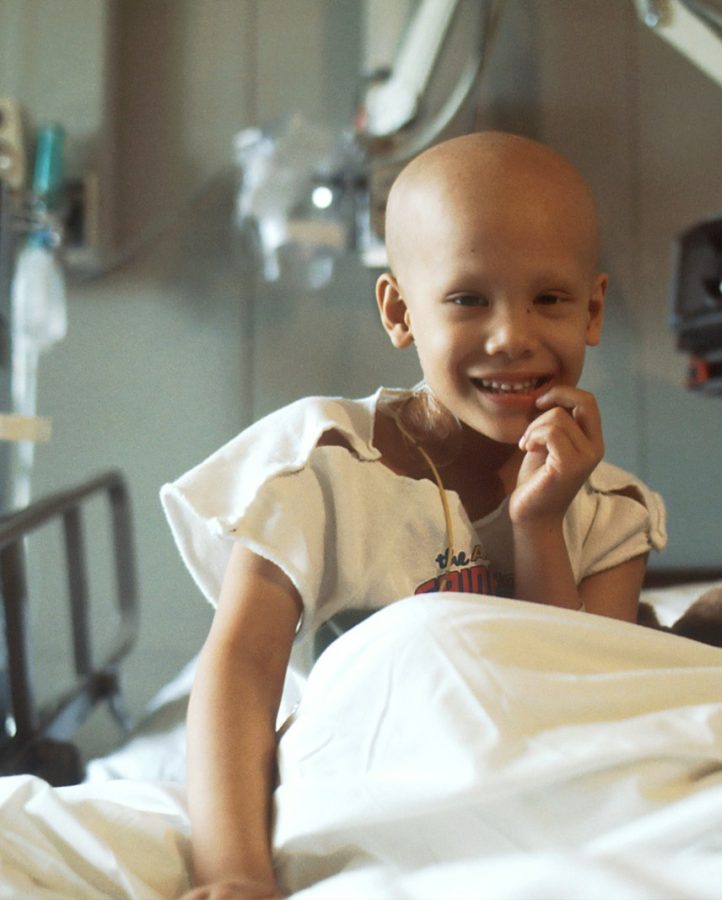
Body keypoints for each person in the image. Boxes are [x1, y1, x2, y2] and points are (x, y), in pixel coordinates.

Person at [161, 131, 667, 898]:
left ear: (592, 309)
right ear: (400, 311)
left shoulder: (609, 517)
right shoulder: (317, 467)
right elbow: (240, 673)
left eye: (550, 299)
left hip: (520, 820)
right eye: (468, 299)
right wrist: (234, 872)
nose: (513, 336)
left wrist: (538, 526)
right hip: (359, 787)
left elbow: (574, 712)